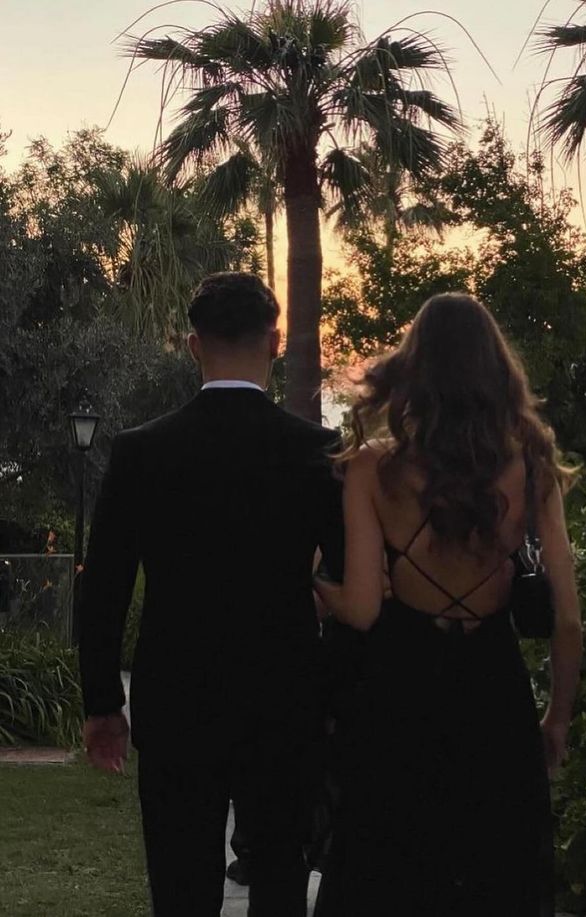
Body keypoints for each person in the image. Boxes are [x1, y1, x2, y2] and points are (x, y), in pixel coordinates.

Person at [78, 272, 344, 917]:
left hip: (176, 694)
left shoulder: (141, 451)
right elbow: (345, 580)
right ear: (275, 342)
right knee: (281, 873)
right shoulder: (315, 451)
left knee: (180, 879)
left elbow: (104, 587)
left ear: (193, 346)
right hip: (285, 692)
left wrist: (102, 704)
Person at [313, 293, 583, 917]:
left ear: (413, 370)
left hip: (398, 688)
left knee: (389, 873)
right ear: (496, 371)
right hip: (494, 685)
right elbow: (568, 620)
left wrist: (315, 591)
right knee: (497, 876)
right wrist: (557, 718)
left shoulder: (370, 470)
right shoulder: (531, 465)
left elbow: (360, 609)